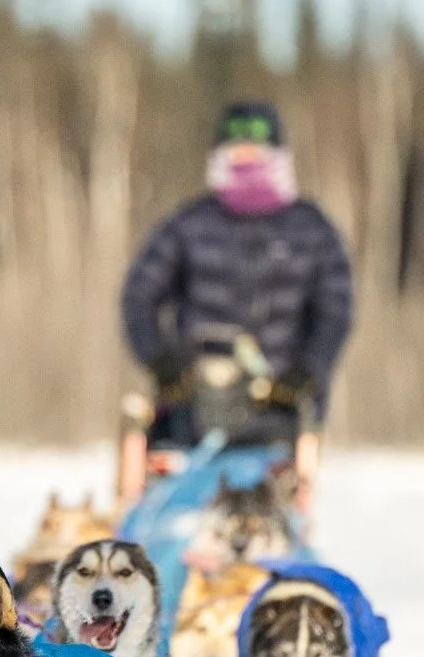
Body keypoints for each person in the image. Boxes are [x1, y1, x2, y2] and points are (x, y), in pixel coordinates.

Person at [119, 101, 354, 450]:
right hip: (194, 410)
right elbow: (139, 295)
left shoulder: (310, 229)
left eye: (255, 151)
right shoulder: (190, 224)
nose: (246, 160)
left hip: (281, 411)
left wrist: (307, 372)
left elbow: (334, 312)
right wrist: (160, 362)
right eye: (236, 151)